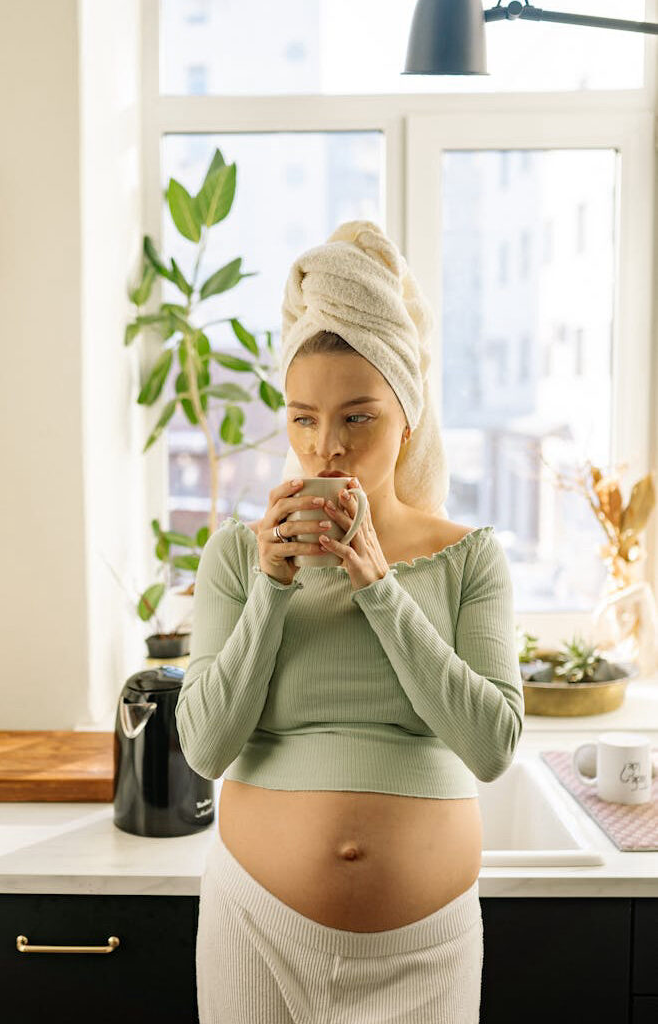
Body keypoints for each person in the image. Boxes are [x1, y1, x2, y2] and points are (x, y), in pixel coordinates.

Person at [175, 220, 524, 1023]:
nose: (324, 448)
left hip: (425, 952)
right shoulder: (239, 554)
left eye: (356, 417)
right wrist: (270, 586)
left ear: (405, 412)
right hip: (253, 926)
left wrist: (378, 585)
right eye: (301, 418)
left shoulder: (468, 558)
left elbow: (491, 746)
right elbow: (205, 746)